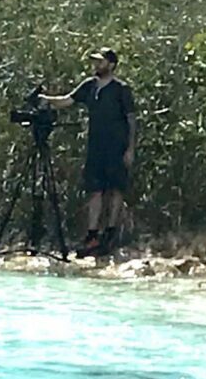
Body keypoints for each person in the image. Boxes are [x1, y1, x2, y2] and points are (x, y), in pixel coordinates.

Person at [39, 48, 136, 257]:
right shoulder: (89, 86)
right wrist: (46, 99)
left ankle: (110, 233)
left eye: (100, 62)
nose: (96, 66)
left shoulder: (121, 89)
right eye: (95, 62)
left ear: (111, 64)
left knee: (116, 190)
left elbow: (131, 119)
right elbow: (67, 100)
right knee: (95, 190)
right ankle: (92, 235)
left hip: (116, 148)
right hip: (96, 147)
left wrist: (130, 148)